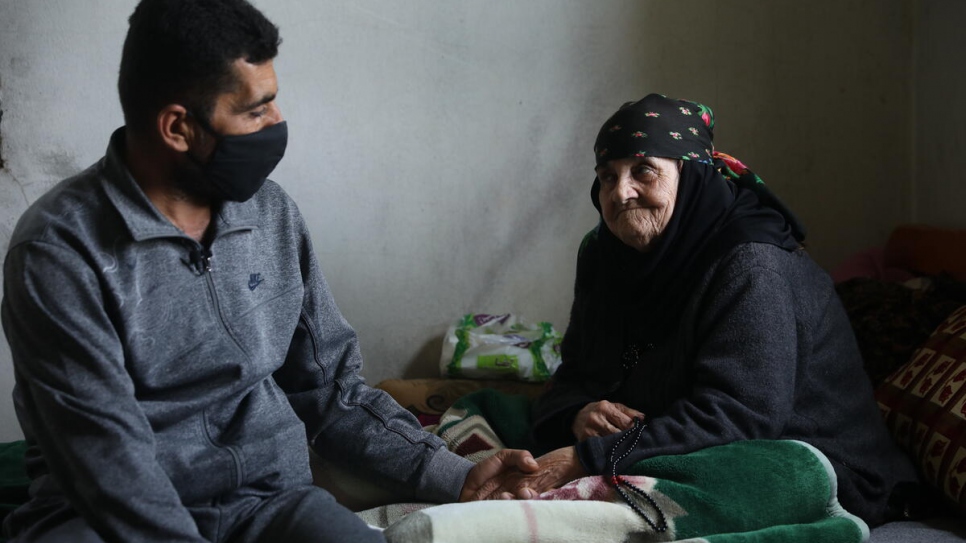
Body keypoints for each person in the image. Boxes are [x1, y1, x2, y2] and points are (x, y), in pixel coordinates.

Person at [0, 1, 536, 541]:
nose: (277, 123)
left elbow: (330, 391)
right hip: (101, 522)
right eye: (256, 110)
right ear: (178, 127)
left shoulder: (269, 215)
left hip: (265, 506)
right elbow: (109, 469)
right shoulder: (60, 252)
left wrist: (458, 476)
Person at [496, 94, 921, 527]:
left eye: (643, 170)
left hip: (804, 459)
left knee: (693, 485)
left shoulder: (751, 263)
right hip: (676, 437)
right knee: (501, 411)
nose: (621, 192)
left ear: (691, 174)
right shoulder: (604, 256)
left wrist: (587, 457)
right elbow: (574, 374)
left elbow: (739, 415)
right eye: (607, 176)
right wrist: (577, 414)